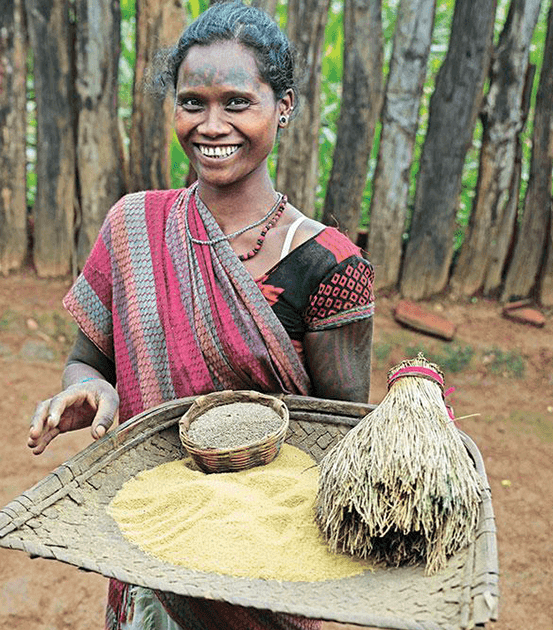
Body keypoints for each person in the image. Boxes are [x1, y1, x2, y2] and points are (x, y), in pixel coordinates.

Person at [26, 3, 374, 630]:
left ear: (283, 107)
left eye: (237, 102)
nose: (212, 125)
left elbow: (342, 442)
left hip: (265, 568)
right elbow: (86, 358)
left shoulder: (329, 264)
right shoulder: (134, 227)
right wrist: (87, 388)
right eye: (192, 103)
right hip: (151, 550)